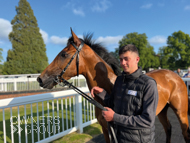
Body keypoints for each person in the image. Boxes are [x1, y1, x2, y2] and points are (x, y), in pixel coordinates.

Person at [91, 44, 158, 143]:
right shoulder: (119, 80)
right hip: (118, 138)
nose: (123, 63)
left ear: (137, 59)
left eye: (126, 59)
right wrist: (102, 93)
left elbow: (147, 121)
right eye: (121, 59)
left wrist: (114, 117)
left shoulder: (148, 84)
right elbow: (112, 104)